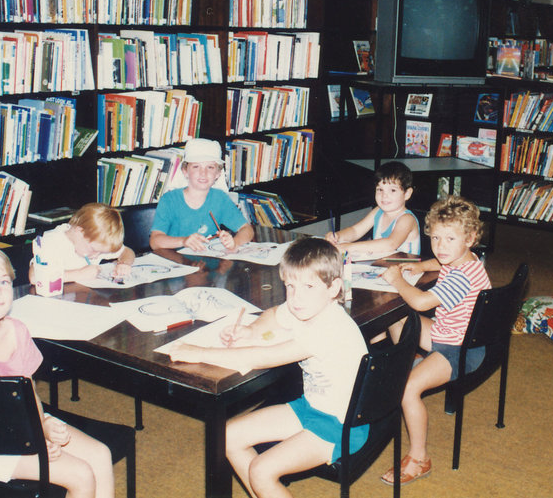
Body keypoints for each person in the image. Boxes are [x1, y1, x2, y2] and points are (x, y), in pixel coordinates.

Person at [168, 237, 367, 498]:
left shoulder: (329, 328)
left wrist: (197, 353)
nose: (296, 297)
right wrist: (250, 330)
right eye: (290, 286)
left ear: (334, 288)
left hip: (341, 424)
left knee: (261, 471)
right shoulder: (305, 307)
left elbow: (256, 359)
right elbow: (274, 314)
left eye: (308, 286)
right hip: (312, 407)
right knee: (227, 436)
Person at [0, 244, 114, 498]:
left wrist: (44, 425)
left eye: (3, 282)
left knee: (100, 454)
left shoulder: (16, 330)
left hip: (22, 425)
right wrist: (34, 443)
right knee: (80, 474)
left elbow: (29, 393)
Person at [377, 195, 491, 486]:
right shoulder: (467, 260)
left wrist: (398, 280)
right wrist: (420, 267)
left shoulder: (460, 278)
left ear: (471, 238)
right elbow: (441, 262)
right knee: (395, 319)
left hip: (459, 350)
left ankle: (419, 459)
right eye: (436, 237)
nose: (441, 246)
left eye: (449, 239)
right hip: (453, 335)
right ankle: (413, 361)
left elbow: (419, 302)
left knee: (406, 389)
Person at [149, 138, 254, 261]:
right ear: (185, 171)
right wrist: (184, 241)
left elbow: (247, 230)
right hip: (176, 263)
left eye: (210, 167)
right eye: (196, 166)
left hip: (208, 266)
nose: (203, 173)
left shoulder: (220, 198)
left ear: (218, 173)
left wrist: (234, 242)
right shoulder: (170, 200)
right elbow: (155, 241)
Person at [325, 161, 420, 259]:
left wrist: (351, 247)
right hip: (381, 267)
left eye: (392, 190)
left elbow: (390, 244)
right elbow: (355, 231)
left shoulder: (407, 219)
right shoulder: (378, 211)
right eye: (380, 190)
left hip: (406, 271)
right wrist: (338, 236)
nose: (384, 195)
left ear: (407, 194)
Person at [29, 202, 135, 290]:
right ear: (79, 232)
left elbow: (127, 251)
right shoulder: (53, 241)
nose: (96, 256)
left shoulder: (97, 243)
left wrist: (124, 264)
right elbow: (34, 277)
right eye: (93, 250)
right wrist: (79, 274)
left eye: (102, 253)